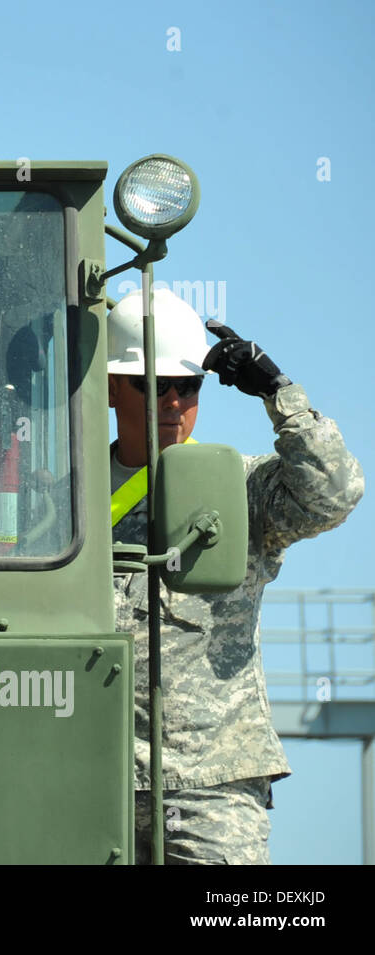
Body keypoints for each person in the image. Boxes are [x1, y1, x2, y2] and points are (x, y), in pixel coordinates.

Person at [107, 288, 364, 864]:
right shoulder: (68, 503)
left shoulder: (241, 488)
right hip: (93, 777)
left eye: (188, 385)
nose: (173, 402)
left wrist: (279, 394)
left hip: (212, 781)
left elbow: (334, 494)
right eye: (153, 386)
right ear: (110, 388)